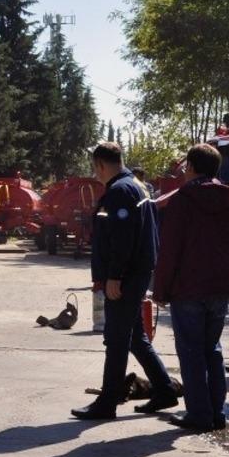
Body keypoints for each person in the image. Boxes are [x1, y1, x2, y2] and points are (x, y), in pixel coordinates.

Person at [72, 142, 177, 420]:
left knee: (116, 339)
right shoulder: (138, 186)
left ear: (101, 165)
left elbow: (122, 239)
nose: (95, 174)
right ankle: (165, 390)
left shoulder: (119, 191)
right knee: (135, 338)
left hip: (126, 276)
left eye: (95, 168)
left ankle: (107, 402)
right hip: (138, 273)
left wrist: (114, 277)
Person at [153, 143, 229, 432]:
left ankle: (199, 414)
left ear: (191, 167)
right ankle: (217, 412)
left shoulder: (183, 200)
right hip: (219, 287)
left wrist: (160, 290)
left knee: (191, 352)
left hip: (188, 287)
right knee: (212, 350)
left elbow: (170, 250)